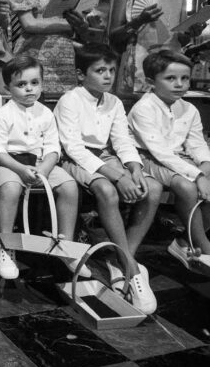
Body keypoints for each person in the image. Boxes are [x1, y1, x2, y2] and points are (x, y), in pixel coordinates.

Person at [54, 43, 161, 312]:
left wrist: (134, 168)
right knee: (107, 190)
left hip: (106, 156)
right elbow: (74, 148)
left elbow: (122, 140)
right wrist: (117, 176)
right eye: (100, 70)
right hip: (76, 158)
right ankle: (131, 267)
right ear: (81, 74)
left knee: (153, 188)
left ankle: (121, 257)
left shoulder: (113, 102)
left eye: (112, 70)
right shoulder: (70, 100)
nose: (108, 76)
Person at [128, 50, 210, 267]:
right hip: (150, 158)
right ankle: (204, 247)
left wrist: (205, 166)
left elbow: (197, 143)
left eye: (185, 78)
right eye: (171, 78)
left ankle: (185, 241)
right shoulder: (144, 108)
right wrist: (197, 176)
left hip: (182, 160)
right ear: (151, 81)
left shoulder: (189, 109)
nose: (180, 84)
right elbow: (159, 152)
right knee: (188, 188)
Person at [0, 55, 81, 278]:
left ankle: (66, 246)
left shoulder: (46, 113)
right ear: (8, 87)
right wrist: (20, 170)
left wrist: (46, 169)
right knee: (11, 189)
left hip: (41, 164)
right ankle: (7, 246)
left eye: (34, 83)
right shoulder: (4, 114)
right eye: (21, 85)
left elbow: (52, 147)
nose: (29, 89)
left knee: (69, 186)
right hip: (11, 163)